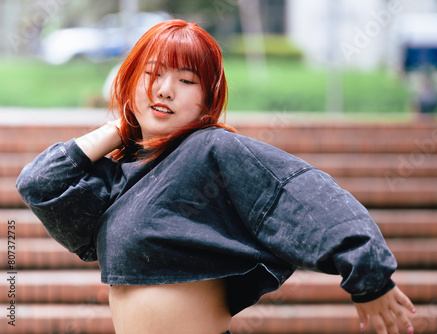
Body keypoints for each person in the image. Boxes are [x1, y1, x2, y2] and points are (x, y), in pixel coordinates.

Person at [16, 20, 415, 334]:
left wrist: (369, 278)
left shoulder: (212, 149)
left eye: (187, 81)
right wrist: (122, 127)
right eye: (152, 73)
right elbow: (40, 184)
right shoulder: (119, 175)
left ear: (207, 98)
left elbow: (303, 194)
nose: (165, 90)